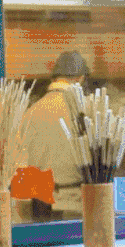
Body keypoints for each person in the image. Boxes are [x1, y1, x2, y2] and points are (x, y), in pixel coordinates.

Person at [21, 50, 90, 219]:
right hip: (77, 204)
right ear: (80, 79)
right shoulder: (86, 109)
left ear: (53, 79)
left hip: (40, 205)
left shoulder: (31, 112)